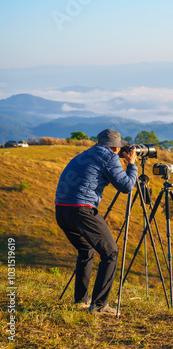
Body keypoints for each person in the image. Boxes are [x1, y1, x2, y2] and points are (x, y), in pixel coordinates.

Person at [55, 129, 138, 315]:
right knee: (110, 253)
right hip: (81, 209)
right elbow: (126, 186)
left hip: (61, 209)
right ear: (116, 147)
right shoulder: (110, 157)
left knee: (86, 250)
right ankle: (99, 305)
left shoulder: (86, 153)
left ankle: (81, 301)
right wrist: (131, 164)